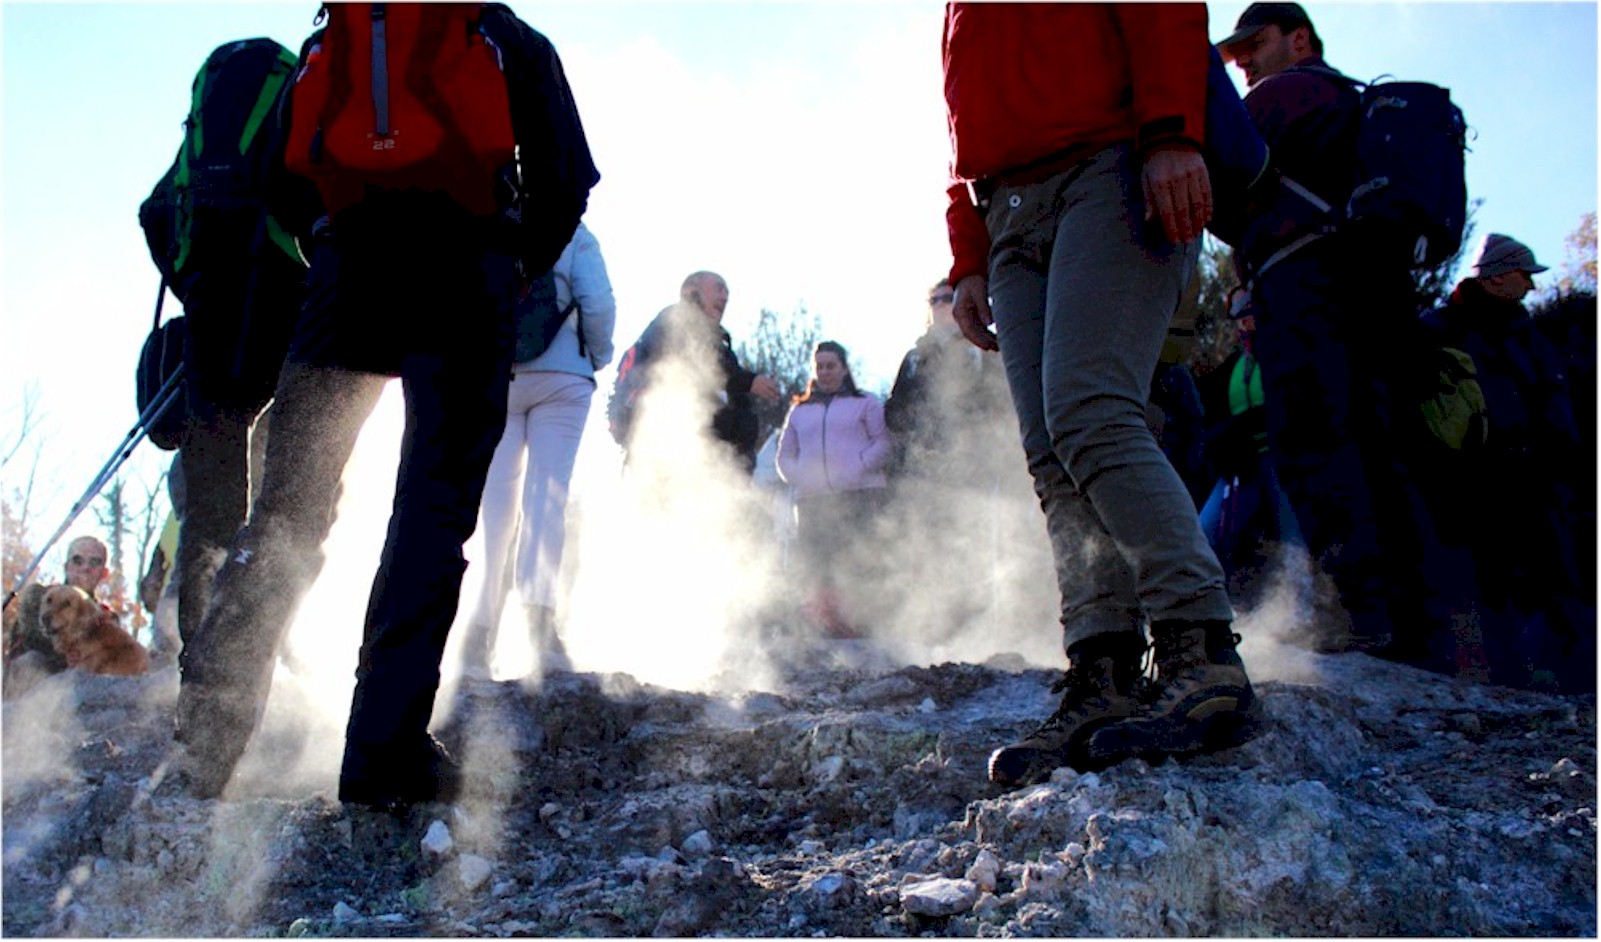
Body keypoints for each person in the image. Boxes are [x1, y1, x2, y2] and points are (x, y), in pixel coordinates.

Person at [169, 5, 598, 809]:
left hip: (345, 273)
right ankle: (382, 753)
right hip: (465, 273)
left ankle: (202, 748)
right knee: (431, 513)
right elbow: (564, 177)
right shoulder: (497, 31)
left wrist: (334, 239)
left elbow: (276, 181)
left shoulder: (334, 36)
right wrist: (512, 264)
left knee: (287, 511)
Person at [942, 3, 1258, 790]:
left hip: (1111, 166)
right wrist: (966, 254)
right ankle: (1102, 671)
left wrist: (1172, 134)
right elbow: (961, 112)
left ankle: (1201, 651)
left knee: (1091, 412)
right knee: (1050, 450)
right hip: (1008, 208)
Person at [1219, 1, 1468, 656]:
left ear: (1298, 40)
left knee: (1314, 442)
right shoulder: (1344, 103)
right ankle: (1416, 625)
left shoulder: (1289, 92)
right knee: (1381, 445)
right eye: (1236, 50)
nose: (1242, 60)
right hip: (1368, 286)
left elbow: (1222, 167)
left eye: (1255, 42)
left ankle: (1357, 614)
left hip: (1307, 289)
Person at [1419, 234, 1591, 691]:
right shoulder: (1437, 331)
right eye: (1525, 276)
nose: (1532, 288)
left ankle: (1576, 686)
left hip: (1544, 482)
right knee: (1494, 590)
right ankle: (1512, 691)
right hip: (1476, 487)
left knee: (1559, 585)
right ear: (1496, 276)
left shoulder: (1529, 333)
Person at [460, 221, 616, 681]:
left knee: (494, 510)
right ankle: (539, 626)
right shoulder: (573, 230)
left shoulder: (492, 217)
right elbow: (599, 302)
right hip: (563, 376)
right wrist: (595, 355)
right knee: (545, 498)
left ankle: (477, 632)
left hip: (497, 375)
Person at [884, 278, 1015, 641]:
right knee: (924, 544)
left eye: (947, 298)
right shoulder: (915, 356)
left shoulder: (983, 349)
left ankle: (973, 629)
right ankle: (927, 629)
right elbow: (896, 410)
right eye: (935, 299)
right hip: (921, 467)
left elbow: (998, 405)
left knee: (970, 542)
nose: (941, 305)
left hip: (968, 466)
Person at [775, 341, 894, 637]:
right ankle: (827, 626)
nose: (825, 372)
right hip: (814, 499)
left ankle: (864, 624)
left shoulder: (865, 402)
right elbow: (784, 455)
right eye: (820, 366)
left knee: (858, 558)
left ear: (843, 368)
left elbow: (884, 443)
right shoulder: (800, 410)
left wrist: (858, 465)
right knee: (819, 563)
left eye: (831, 365)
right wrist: (801, 476)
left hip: (860, 494)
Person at [614, 271, 783, 473]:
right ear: (691, 291)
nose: (725, 297)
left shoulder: (718, 342)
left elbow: (734, 395)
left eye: (727, 291)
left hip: (709, 460)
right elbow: (707, 368)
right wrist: (749, 381)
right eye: (718, 288)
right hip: (668, 444)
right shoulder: (675, 322)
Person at [3, 535, 113, 683]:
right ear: (66, 567)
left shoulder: (107, 618)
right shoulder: (38, 596)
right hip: (30, 685)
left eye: (95, 562)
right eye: (78, 561)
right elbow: (35, 637)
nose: (86, 568)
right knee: (31, 662)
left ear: (104, 573)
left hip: (78, 690)